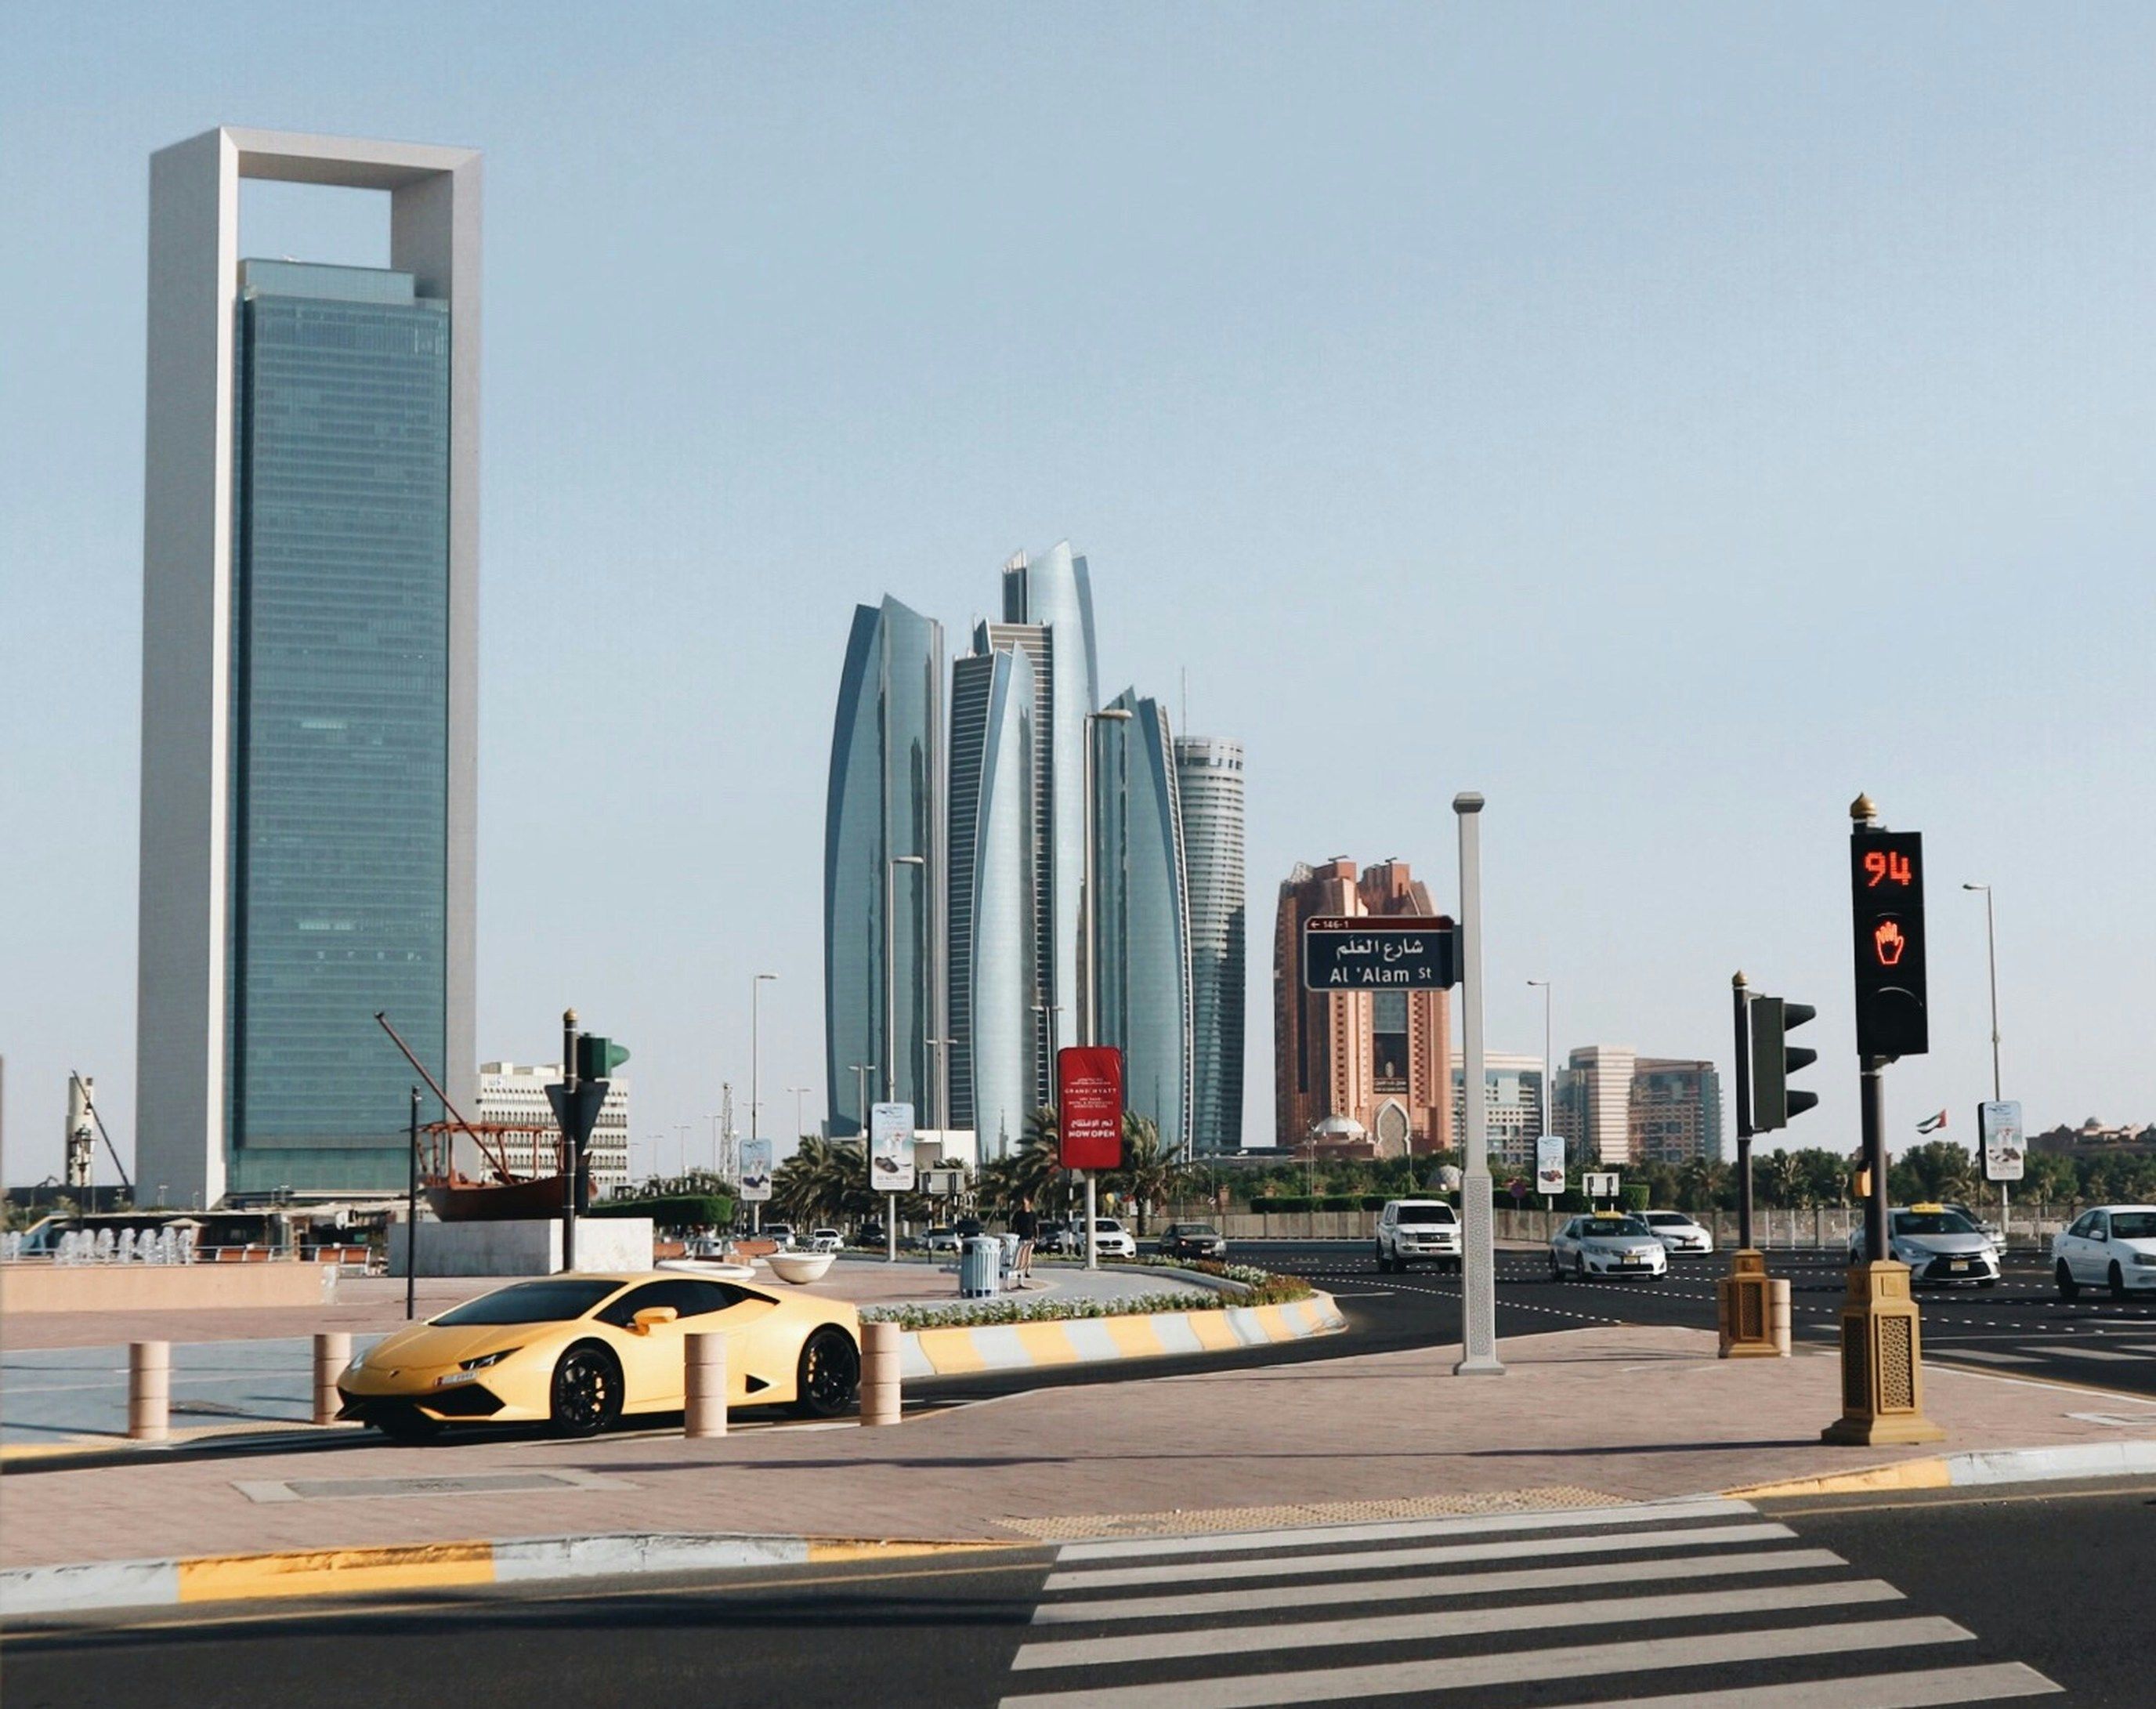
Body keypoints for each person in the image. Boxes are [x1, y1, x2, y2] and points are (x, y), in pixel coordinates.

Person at [1011, 1196, 1040, 1284]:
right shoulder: (1018, 1214)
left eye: (1025, 1203)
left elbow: (1036, 1226)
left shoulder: (1033, 1215)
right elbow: (1013, 1225)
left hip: (1030, 1238)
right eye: (1022, 1204)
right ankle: (1020, 1271)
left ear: (1029, 1204)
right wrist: (1013, 1234)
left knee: (1028, 1255)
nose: (1023, 1205)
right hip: (1020, 1237)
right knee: (1021, 1255)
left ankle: (1027, 1271)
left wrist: (1036, 1237)